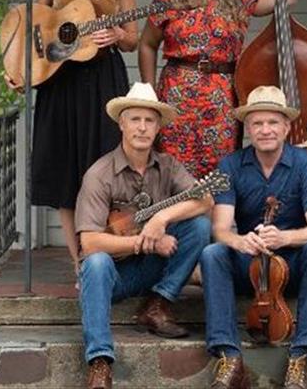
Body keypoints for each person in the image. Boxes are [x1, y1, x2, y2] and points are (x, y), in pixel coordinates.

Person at [13, 0, 137, 273]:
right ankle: (80, 262)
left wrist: (117, 34)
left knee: (106, 166)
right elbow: (35, 28)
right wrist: (21, 69)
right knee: (66, 167)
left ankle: (103, 254)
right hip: (61, 80)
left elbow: (133, 39)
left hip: (105, 80)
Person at [75, 82, 212, 389]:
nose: (142, 127)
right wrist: (145, 242)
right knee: (95, 263)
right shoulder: (99, 174)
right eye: (135, 119)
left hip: (150, 269)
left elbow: (205, 200)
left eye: (149, 120)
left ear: (158, 127)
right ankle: (99, 362)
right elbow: (90, 243)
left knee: (199, 227)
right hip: (112, 276)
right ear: (121, 124)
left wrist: (161, 218)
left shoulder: (168, 166)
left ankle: (157, 305)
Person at [200, 86, 307, 389]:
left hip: (291, 266)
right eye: (257, 123)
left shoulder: (305, 164)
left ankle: (301, 356)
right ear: (248, 129)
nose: (265, 130)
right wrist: (240, 241)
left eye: (273, 122)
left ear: (286, 127)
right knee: (212, 254)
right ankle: (229, 357)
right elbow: (220, 229)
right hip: (250, 265)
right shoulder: (230, 165)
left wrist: (284, 238)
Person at [138, 0, 297, 179]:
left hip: (222, 97)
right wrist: (149, 94)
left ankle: (216, 209)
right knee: (172, 168)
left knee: (220, 171)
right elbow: (147, 44)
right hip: (176, 95)